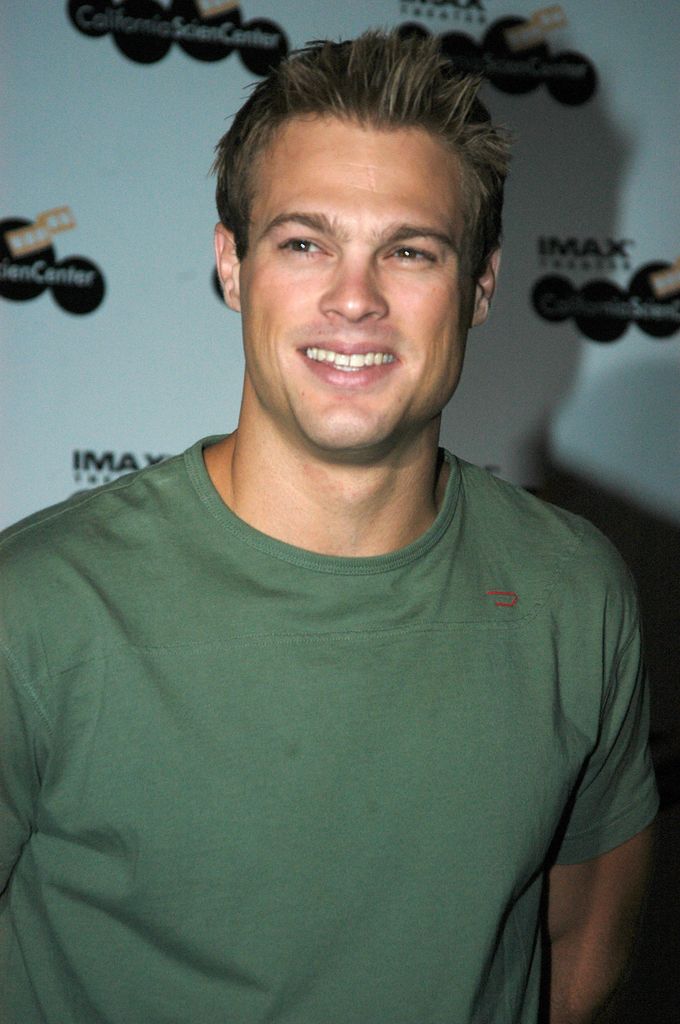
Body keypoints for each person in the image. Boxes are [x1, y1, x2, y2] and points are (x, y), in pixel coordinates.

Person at [0, 30, 658, 1024]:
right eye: (304, 242)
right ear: (231, 265)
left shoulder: (574, 591)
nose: (354, 298)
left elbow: (580, 956)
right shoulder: (36, 608)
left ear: (478, 286)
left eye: (409, 250)